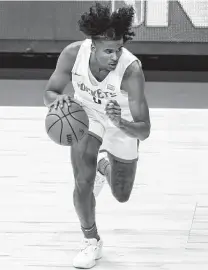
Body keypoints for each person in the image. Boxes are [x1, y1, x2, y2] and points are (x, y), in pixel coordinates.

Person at [43, 3, 151, 269]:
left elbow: (145, 130)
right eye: (108, 51)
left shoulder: (131, 72)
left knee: (121, 194)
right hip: (86, 115)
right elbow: (50, 92)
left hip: (120, 122)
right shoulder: (72, 54)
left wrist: (120, 121)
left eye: (119, 49)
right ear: (91, 45)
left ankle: (105, 165)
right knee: (82, 180)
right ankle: (92, 241)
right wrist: (60, 101)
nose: (115, 56)